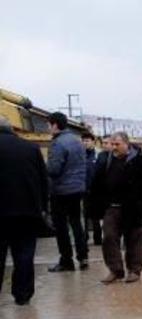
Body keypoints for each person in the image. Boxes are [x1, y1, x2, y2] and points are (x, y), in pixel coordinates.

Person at [89, 132, 142, 284]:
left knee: (134, 240)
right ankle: (115, 270)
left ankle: (134, 270)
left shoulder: (139, 160)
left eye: (117, 144)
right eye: (112, 144)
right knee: (109, 237)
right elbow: (97, 182)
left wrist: (141, 204)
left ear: (126, 144)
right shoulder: (106, 159)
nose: (114, 147)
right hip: (112, 207)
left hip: (133, 207)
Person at [0, 116, 49, 305]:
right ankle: (23, 295)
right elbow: (43, 180)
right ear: (11, 128)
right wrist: (43, 208)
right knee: (24, 254)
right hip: (27, 211)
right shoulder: (31, 148)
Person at [46, 112, 88, 271]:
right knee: (76, 223)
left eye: (49, 125)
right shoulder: (77, 141)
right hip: (77, 189)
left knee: (61, 226)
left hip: (61, 191)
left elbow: (54, 170)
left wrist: (45, 169)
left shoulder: (57, 143)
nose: (48, 128)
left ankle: (66, 260)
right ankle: (83, 257)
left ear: (55, 125)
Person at [81, 131, 103, 245]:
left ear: (93, 142)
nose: (85, 143)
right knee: (84, 215)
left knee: (96, 216)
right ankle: (84, 237)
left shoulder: (99, 154)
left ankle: (97, 238)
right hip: (83, 189)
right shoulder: (80, 155)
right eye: (83, 141)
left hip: (96, 190)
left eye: (87, 141)